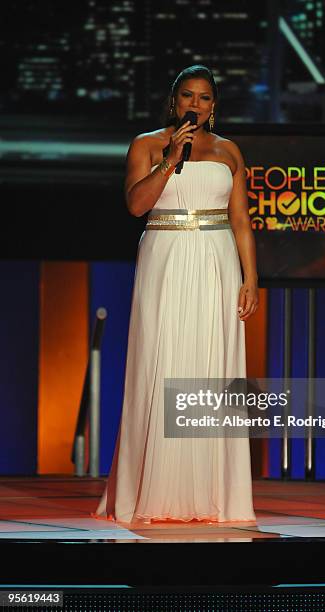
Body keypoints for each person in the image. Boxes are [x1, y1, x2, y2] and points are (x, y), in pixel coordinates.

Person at [93, 65, 259, 525]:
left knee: (210, 368)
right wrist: (170, 158)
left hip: (217, 260)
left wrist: (251, 278)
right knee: (160, 361)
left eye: (204, 98)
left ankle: (211, 492)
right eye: (188, 96)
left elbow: (242, 220)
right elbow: (136, 205)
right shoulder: (147, 144)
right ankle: (151, 489)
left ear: (214, 105)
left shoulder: (229, 151)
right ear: (175, 101)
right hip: (164, 256)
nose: (196, 104)